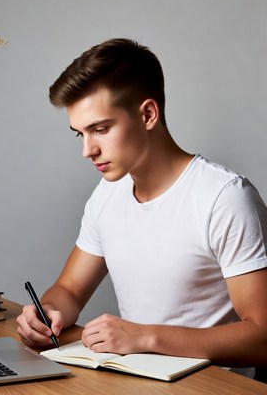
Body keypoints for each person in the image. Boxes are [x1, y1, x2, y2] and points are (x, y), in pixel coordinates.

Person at [16, 38, 267, 378]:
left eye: (100, 129)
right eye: (80, 134)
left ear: (148, 114)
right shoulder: (107, 195)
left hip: (211, 386)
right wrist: (47, 313)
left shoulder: (225, 198)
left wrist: (146, 336)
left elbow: (262, 337)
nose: (87, 151)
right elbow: (70, 290)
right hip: (132, 381)